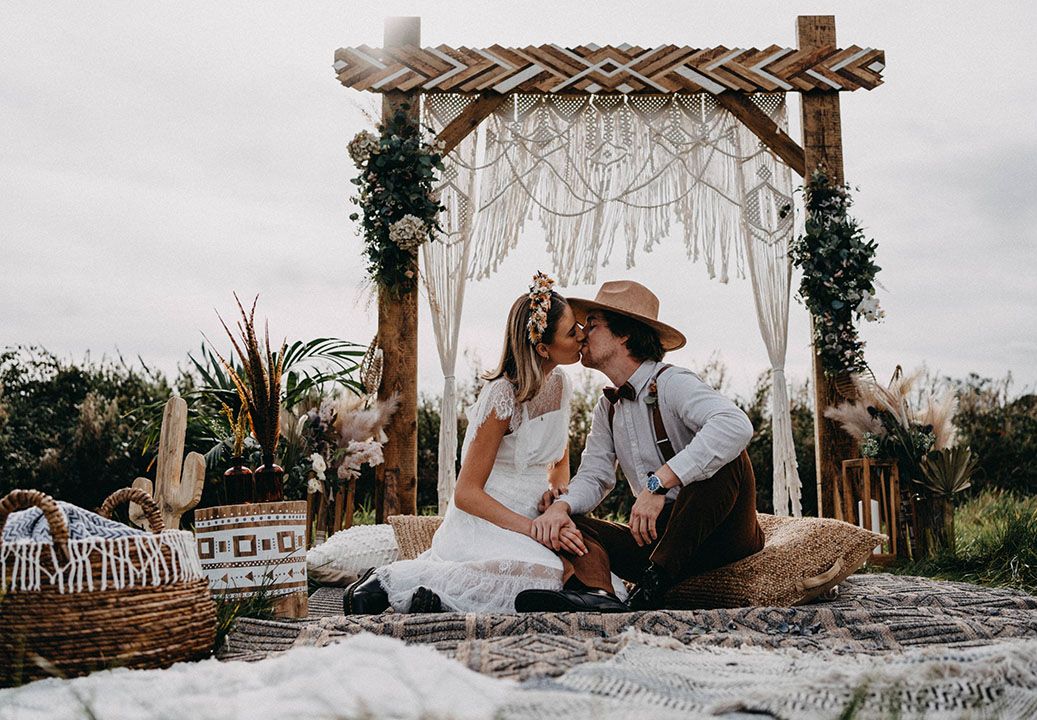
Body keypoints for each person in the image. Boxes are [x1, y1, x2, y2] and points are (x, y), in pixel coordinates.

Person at [344, 272, 628, 614]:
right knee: (548, 576)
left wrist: (557, 500)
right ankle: (392, 580)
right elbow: (466, 493)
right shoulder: (502, 395)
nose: (582, 335)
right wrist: (531, 529)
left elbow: (557, 462)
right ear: (542, 348)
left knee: (603, 585)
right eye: (572, 331)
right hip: (488, 519)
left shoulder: (562, 384)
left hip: (535, 516)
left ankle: (441, 597)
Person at [518, 280, 765, 612]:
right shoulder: (607, 408)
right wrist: (562, 507)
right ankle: (597, 593)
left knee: (728, 457)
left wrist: (658, 483)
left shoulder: (672, 382)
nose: (582, 334)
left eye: (592, 325)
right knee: (564, 518)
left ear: (624, 335)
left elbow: (735, 425)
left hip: (719, 534)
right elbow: (595, 476)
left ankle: (652, 586)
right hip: (659, 540)